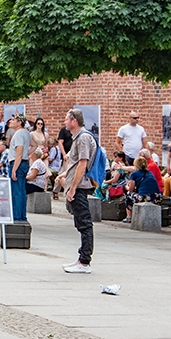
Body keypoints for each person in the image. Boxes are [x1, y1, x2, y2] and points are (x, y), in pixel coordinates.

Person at [58, 108, 96, 274]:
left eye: (67, 119)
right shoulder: (79, 138)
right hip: (77, 185)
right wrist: (66, 174)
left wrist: (72, 188)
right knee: (81, 222)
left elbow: (83, 163)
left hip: (80, 187)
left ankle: (85, 261)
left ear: (74, 121)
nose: (65, 122)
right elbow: (77, 164)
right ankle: (82, 258)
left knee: (84, 223)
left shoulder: (83, 138)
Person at [7, 113, 31, 222]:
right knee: (21, 190)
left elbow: (19, 153)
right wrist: (27, 153)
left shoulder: (18, 134)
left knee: (16, 191)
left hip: (17, 163)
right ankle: (22, 216)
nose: (10, 121)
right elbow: (34, 145)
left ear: (19, 122)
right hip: (24, 162)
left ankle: (17, 216)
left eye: (13, 119)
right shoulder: (26, 133)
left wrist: (14, 169)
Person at [123, 156, 162, 223]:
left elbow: (131, 189)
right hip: (157, 197)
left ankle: (129, 217)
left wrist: (125, 187)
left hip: (144, 197)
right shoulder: (150, 173)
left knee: (128, 195)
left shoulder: (134, 174)